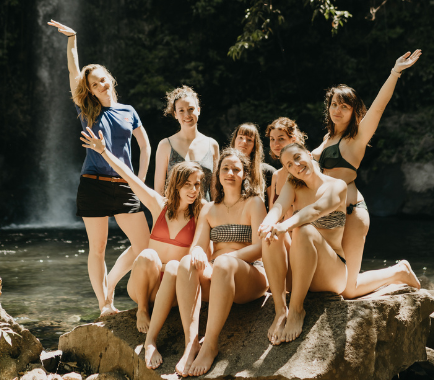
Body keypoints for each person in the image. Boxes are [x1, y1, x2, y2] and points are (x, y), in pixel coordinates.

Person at [49, 20, 153, 317]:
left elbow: (145, 146)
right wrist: (72, 39)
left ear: (111, 80)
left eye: (103, 80)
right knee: (97, 248)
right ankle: (104, 304)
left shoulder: (128, 111)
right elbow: (73, 71)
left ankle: (112, 284)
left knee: (145, 245)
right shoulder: (87, 111)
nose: (101, 85)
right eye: (94, 84)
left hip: (124, 185)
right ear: (90, 91)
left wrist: (139, 182)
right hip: (93, 184)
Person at [80, 127, 203, 370]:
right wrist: (103, 152)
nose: (193, 190)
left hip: (172, 288)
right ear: (176, 185)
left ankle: (155, 339)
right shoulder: (159, 205)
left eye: (197, 185)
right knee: (146, 253)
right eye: (187, 184)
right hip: (144, 286)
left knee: (174, 266)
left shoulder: (201, 213)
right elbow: (129, 176)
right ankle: (142, 310)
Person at [311, 51, 423, 298]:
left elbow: (379, 107)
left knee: (348, 290)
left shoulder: (357, 137)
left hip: (352, 213)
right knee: (329, 281)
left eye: (344, 106)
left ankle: (399, 271)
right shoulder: (328, 137)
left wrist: (395, 72)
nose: (337, 110)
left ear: (353, 111)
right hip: (327, 214)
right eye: (334, 104)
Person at [173, 148, 269, 376]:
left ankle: (210, 345)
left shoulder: (254, 202)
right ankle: (191, 343)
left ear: (245, 174)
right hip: (217, 274)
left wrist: (225, 259)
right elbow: (197, 245)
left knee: (224, 264)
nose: (230, 173)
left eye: (236, 169)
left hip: (249, 274)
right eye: (225, 168)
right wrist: (198, 252)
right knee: (186, 262)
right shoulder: (208, 208)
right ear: (218, 174)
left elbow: (260, 248)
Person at [259, 143, 349, 345]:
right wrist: (268, 224)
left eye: (297, 158)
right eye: (289, 165)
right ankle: (281, 310)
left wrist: (285, 225)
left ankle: (296, 309)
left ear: (308, 154)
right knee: (270, 235)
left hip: (330, 275)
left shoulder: (337, 186)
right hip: (300, 272)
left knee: (303, 229)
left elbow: (315, 210)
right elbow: (279, 206)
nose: (296, 166)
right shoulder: (293, 184)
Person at [153, 86, 219, 199]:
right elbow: (159, 191)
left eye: (191, 109)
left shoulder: (212, 145)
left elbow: (215, 190)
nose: (187, 114)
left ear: (198, 110)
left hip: (206, 209)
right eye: (181, 110)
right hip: (175, 210)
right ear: (175, 114)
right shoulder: (165, 145)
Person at [228, 123, 275, 207]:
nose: (244, 142)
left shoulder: (267, 172)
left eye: (249, 140)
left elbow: (273, 207)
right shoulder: (225, 170)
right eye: (240, 137)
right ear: (234, 141)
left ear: (254, 146)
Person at [265, 117, 306, 209]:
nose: (276, 144)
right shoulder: (276, 175)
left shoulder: (303, 170)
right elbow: (272, 209)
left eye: (281, 138)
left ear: (293, 139)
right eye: (272, 139)